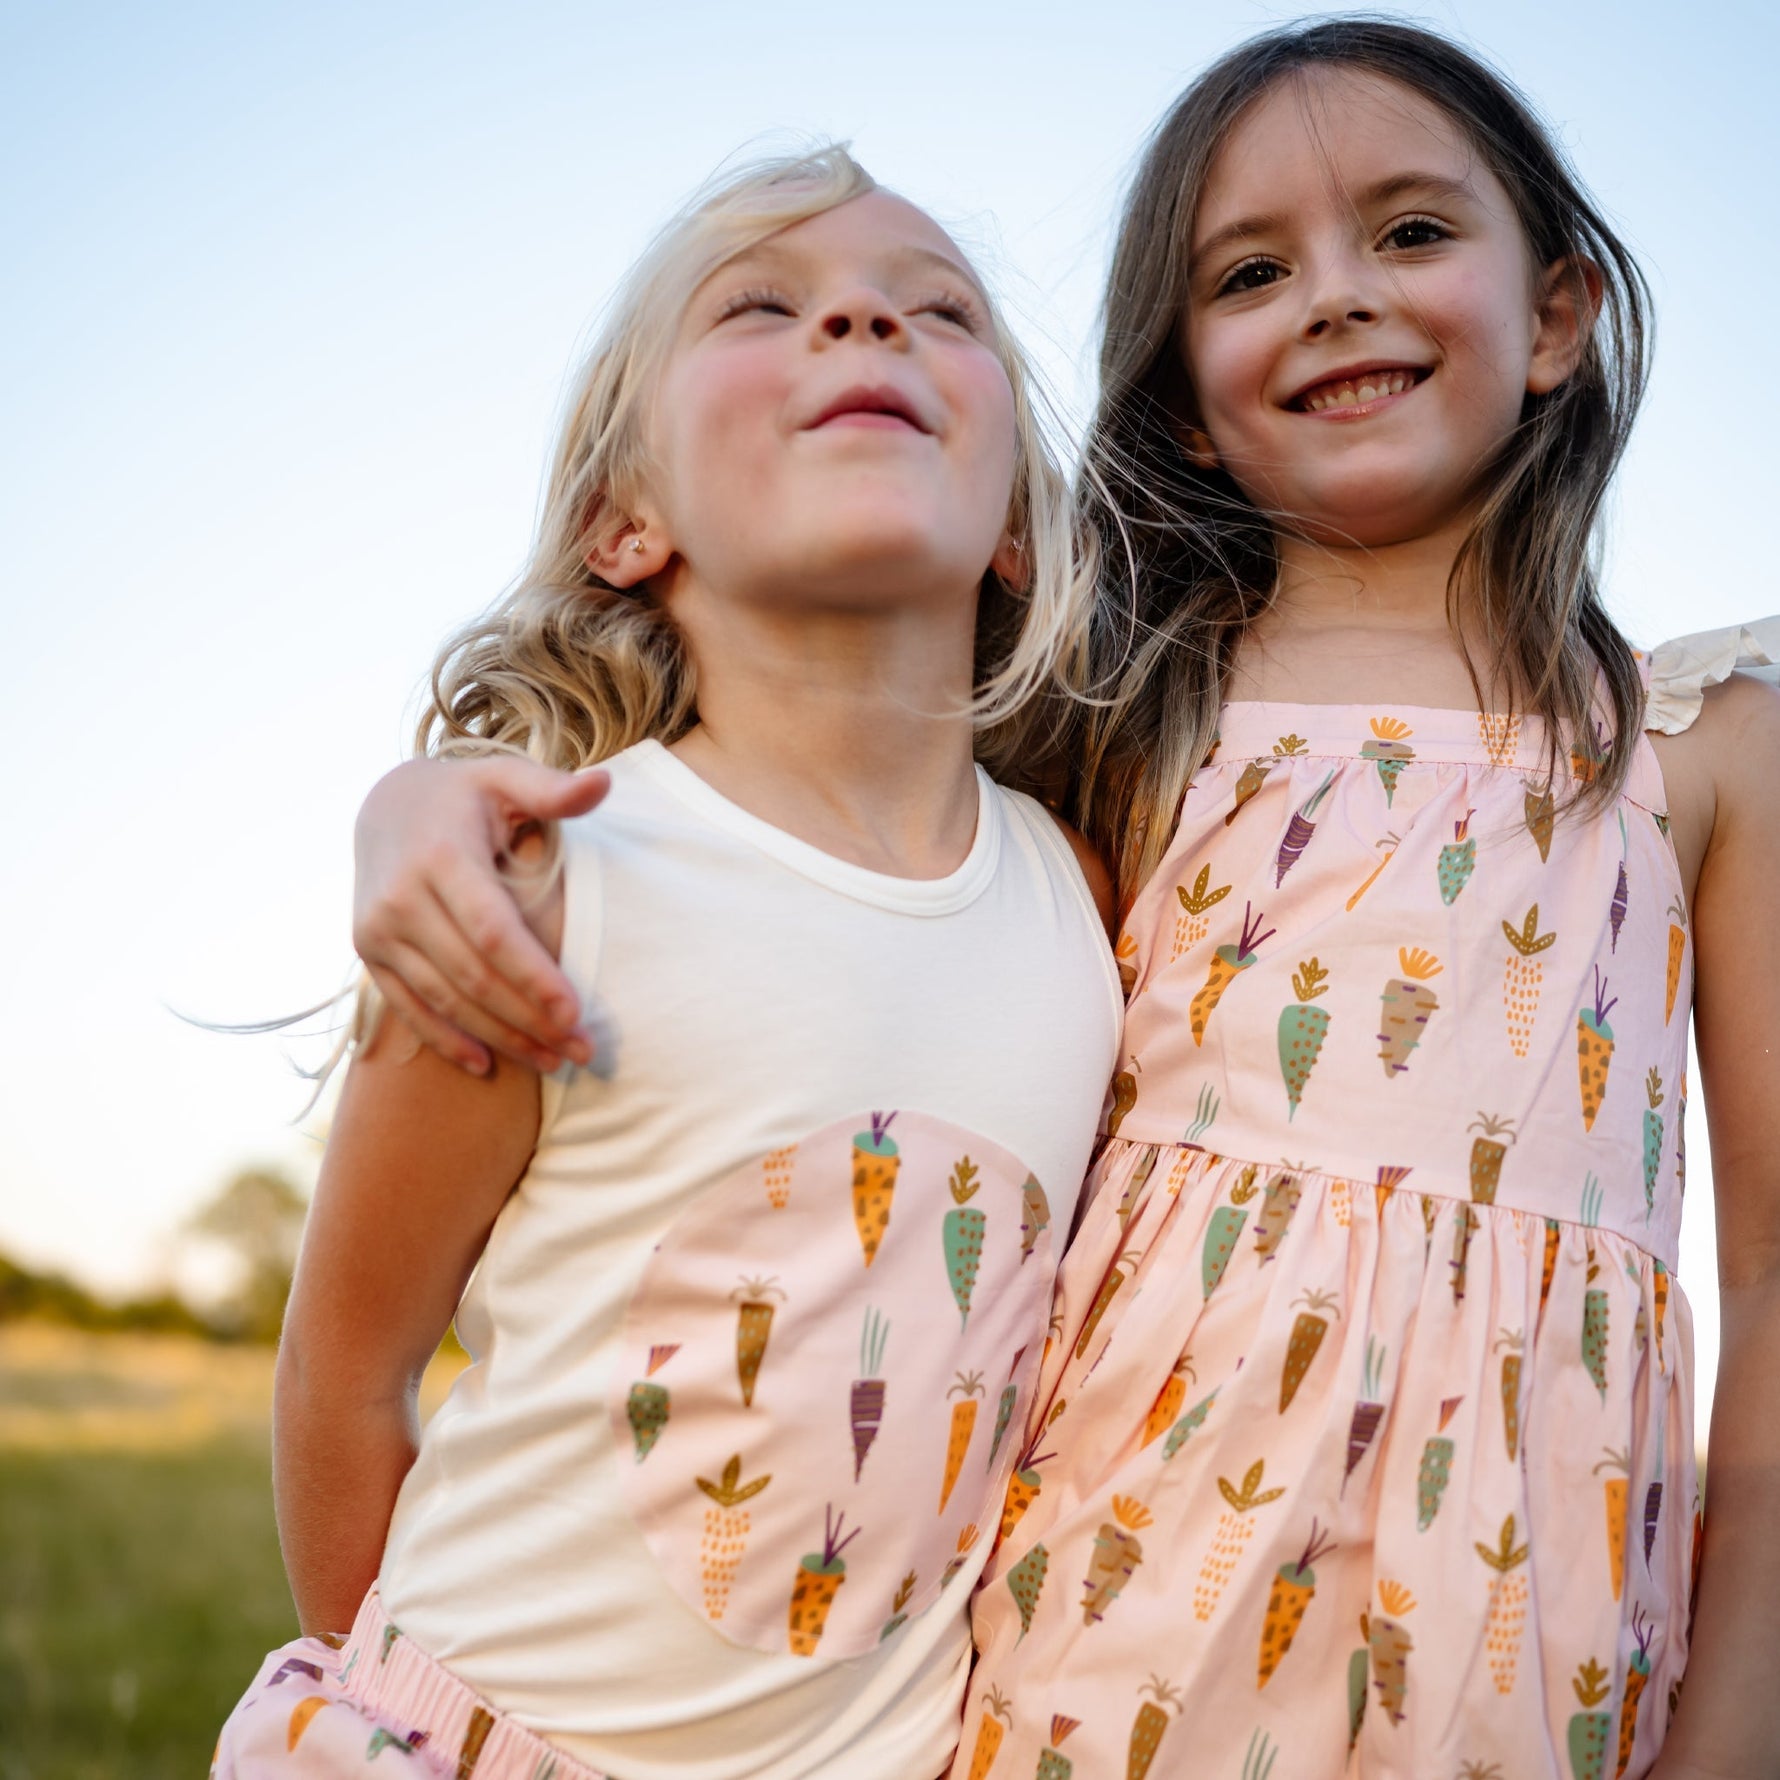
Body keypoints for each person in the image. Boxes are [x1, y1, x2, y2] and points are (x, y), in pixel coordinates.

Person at [348, 22, 1780, 1780]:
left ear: (1558, 312)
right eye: (1251, 270)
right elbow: (820, 829)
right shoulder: (1126, 725)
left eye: (1411, 233)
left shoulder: (1703, 749)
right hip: (1096, 1644)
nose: (1336, 297)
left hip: (1524, 1641)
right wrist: (415, 808)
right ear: (1176, 389)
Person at [212, 147, 1123, 1780]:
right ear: (624, 519)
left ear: (1015, 529)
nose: (861, 317)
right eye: (764, 307)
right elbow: (348, 1374)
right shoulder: (549, 884)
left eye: (939, 311)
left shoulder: (1086, 901)